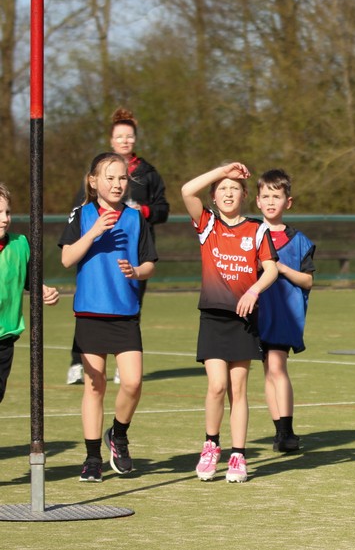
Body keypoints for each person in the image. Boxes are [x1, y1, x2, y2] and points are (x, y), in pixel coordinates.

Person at [58, 153, 158, 482]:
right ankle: (91, 458)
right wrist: (93, 233)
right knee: (94, 385)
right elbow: (66, 259)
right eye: (109, 178)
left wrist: (136, 271)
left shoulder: (135, 218)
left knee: (132, 382)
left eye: (122, 178)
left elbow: (149, 264)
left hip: (125, 313)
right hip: (90, 312)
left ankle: (118, 434)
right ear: (93, 181)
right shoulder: (82, 215)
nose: (117, 184)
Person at [182, 162, 279, 483]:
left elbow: (271, 269)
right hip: (213, 316)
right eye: (222, 189)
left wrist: (254, 290)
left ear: (244, 194)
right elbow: (187, 190)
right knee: (217, 385)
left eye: (234, 188)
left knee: (238, 388)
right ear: (213, 196)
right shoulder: (207, 224)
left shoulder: (257, 230)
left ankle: (238, 454)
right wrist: (224, 170)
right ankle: (211, 446)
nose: (228, 193)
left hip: (244, 318)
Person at [67, 108, 169, 385]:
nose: (125, 140)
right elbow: (79, 210)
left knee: (130, 304)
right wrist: (91, 230)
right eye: (119, 136)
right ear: (112, 140)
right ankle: (77, 361)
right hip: (95, 256)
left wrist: (142, 210)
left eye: (129, 136)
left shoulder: (148, 173)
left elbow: (162, 209)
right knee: (90, 304)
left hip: (131, 254)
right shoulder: (98, 172)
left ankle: (123, 365)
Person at [255, 169, 316, 453]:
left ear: (287, 202)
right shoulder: (250, 235)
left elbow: (308, 281)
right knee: (268, 371)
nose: (271, 201)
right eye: (266, 196)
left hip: (282, 314)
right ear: (257, 200)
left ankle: (287, 431)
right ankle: (279, 430)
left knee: (277, 368)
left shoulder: (299, 240)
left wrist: (280, 268)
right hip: (255, 313)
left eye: (276, 196)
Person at [0, 183, 60, 407]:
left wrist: (44, 290)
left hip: (5, 338)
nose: (5, 219)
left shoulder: (20, 244)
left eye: (7, 212)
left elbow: (30, 281)